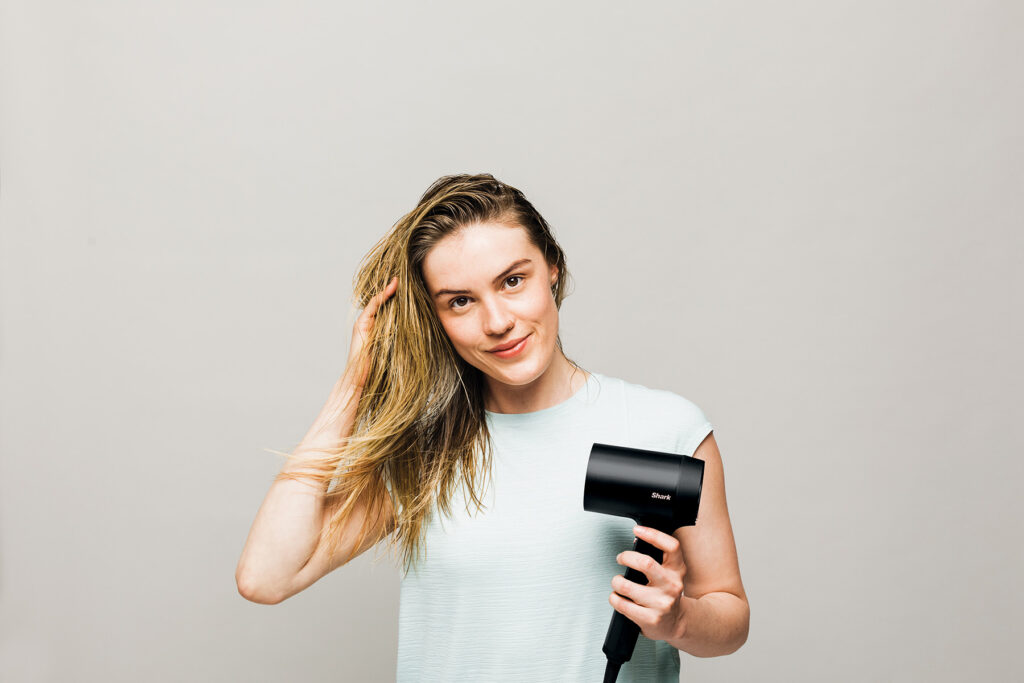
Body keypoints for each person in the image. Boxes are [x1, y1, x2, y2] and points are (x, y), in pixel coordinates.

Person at [235, 173, 749, 681]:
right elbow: (265, 577)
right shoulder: (426, 455)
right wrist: (355, 383)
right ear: (434, 318)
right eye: (460, 301)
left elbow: (730, 618)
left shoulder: (665, 427)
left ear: (552, 268)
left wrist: (678, 618)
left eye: (512, 280)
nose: (497, 321)